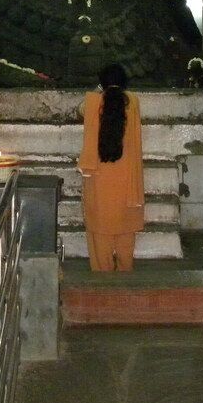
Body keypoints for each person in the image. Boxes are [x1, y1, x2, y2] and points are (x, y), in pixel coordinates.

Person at [77, 63, 144, 271]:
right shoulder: (132, 101)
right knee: (125, 232)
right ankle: (125, 274)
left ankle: (102, 277)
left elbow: (79, 110)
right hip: (127, 183)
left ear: (103, 83)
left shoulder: (92, 103)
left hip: (99, 180)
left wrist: (101, 89)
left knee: (99, 232)